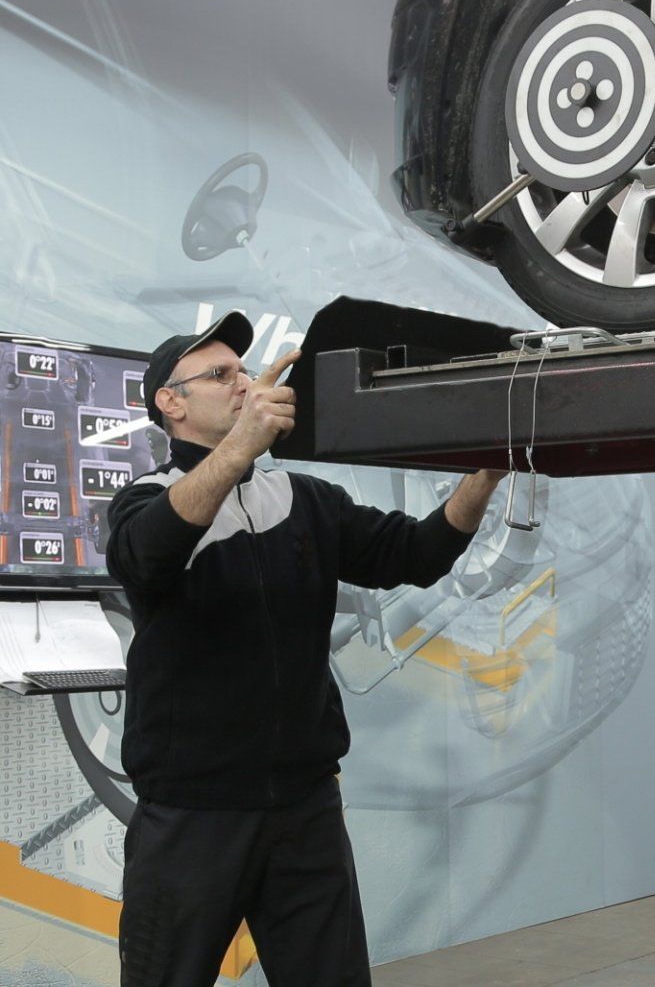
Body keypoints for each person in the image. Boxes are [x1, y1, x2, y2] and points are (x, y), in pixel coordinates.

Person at [106, 311, 506, 986]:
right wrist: (240, 448)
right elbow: (145, 559)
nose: (243, 381)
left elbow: (416, 552)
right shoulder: (146, 503)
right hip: (191, 817)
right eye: (220, 374)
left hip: (305, 808)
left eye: (243, 368)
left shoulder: (306, 498)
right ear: (170, 403)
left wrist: (484, 475)